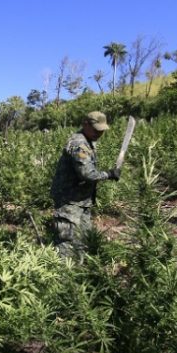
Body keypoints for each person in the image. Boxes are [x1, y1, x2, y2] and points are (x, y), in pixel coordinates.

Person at [50, 111, 120, 259]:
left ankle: (79, 267)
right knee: (66, 242)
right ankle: (64, 271)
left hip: (82, 201)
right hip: (69, 201)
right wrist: (108, 174)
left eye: (101, 130)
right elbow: (87, 174)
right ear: (85, 124)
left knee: (82, 238)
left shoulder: (88, 142)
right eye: (96, 129)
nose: (99, 133)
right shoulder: (79, 144)